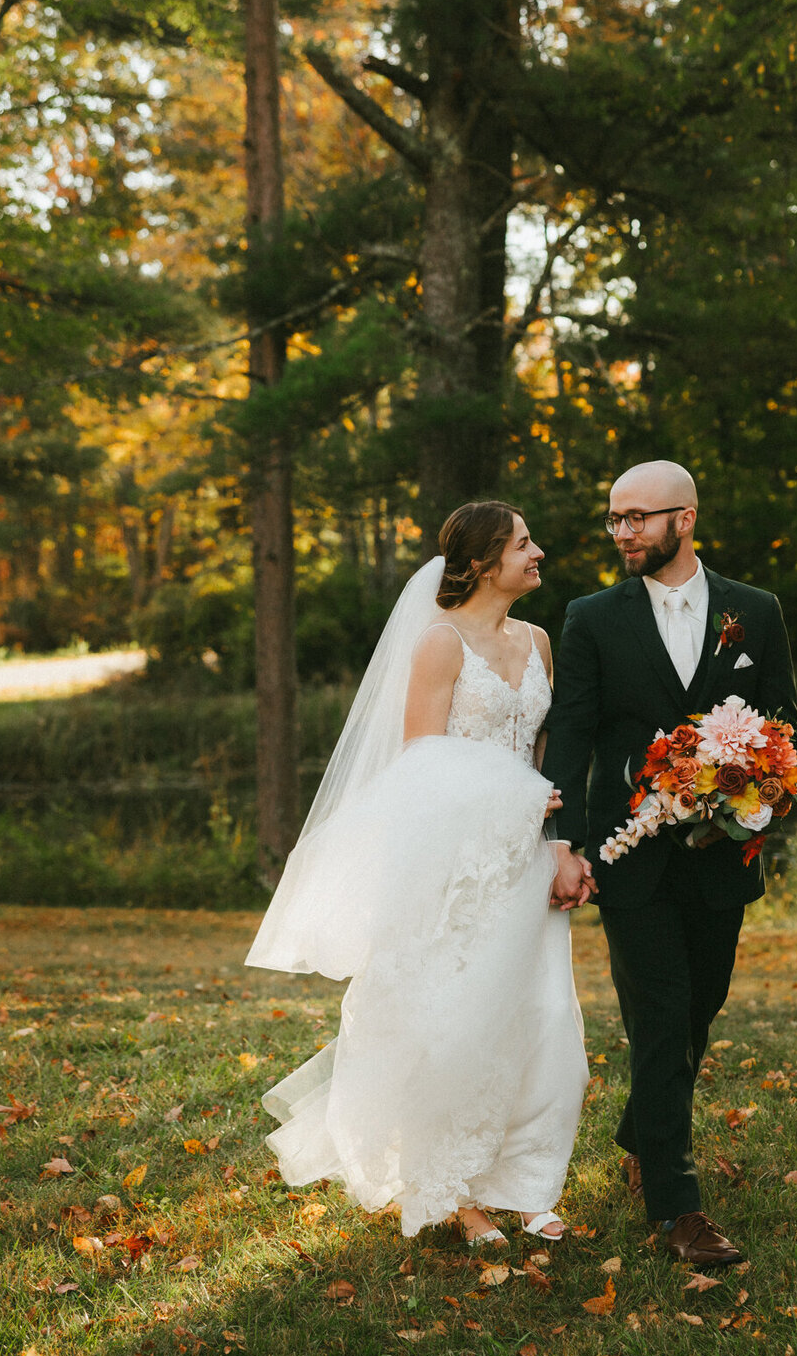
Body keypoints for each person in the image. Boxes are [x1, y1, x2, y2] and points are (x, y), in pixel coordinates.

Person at [246, 501, 590, 1247]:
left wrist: (554, 835)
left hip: (525, 858)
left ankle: (529, 1184)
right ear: (480, 564)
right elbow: (422, 765)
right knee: (457, 1025)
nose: (539, 553)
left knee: (541, 1020)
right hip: (454, 864)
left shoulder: (537, 640)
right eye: (524, 544)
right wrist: (511, 801)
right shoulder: (439, 645)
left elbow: (539, 753)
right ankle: (458, 1192)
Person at [542, 461, 797, 1267]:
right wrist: (567, 840)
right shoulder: (591, 617)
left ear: (683, 519)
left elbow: (784, 721)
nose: (621, 533)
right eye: (614, 519)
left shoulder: (753, 611)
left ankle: (638, 1132)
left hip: (724, 856)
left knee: (700, 1010)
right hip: (635, 860)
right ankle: (679, 1208)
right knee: (659, 1023)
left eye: (637, 518)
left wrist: (756, 790)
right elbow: (575, 735)